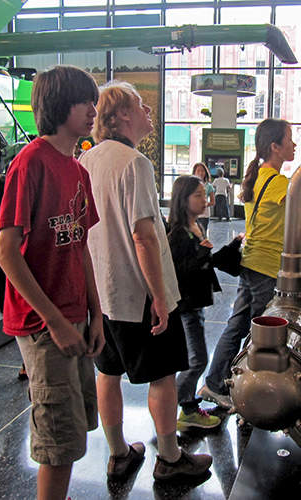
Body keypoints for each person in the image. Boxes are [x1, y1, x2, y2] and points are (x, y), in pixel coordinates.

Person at [79, 81, 212, 483]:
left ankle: (118, 453)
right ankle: (170, 459)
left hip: (104, 293)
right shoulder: (135, 162)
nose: (148, 111)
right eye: (140, 105)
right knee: (162, 376)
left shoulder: (85, 161)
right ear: (121, 114)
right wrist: (158, 294)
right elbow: (143, 234)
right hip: (139, 293)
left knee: (108, 373)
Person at [0, 65, 105, 500]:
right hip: (43, 324)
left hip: (74, 315)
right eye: (86, 102)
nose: (94, 110)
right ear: (62, 104)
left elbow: (81, 247)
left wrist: (96, 315)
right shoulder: (30, 163)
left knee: (74, 426)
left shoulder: (78, 171)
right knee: (58, 437)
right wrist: (55, 322)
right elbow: (6, 251)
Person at [199, 118, 301, 409]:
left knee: (239, 325)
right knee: (260, 334)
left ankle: (216, 382)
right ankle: (248, 394)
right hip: (266, 266)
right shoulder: (280, 183)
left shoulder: (259, 176)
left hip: (252, 261)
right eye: (290, 139)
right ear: (274, 147)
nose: (294, 145)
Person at [168, 175, 223, 430]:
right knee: (197, 360)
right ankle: (168, 411)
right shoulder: (178, 233)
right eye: (197, 195)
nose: (204, 200)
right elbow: (177, 272)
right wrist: (201, 253)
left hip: (196, 303)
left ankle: (188, 409)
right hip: (187, 307)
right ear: (183, 199)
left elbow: (201, 263)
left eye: (204, 194)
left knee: (195, 358)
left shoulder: (197, 226)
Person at [192, 162, 215, 234]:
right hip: (193, 214)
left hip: (204, 215)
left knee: (202, 234)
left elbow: (213, 202)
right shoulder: (190, 185)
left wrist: (204, 204)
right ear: (194, 172)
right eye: (198, 171)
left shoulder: (209, 186)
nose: (200, 173)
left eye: (202, 171)